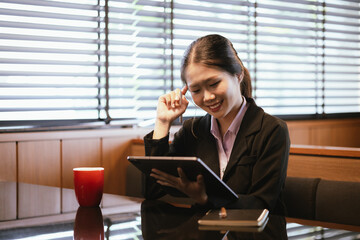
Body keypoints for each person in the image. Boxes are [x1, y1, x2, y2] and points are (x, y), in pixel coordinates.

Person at [142, 34, 290, 214]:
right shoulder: (193, 131)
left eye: (214, 83)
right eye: (196, 90)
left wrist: (206, 198)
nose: (207, 97)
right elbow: (153, 191)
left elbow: (262, 203)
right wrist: (162, 122)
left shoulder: (271, 130)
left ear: (238, 74)